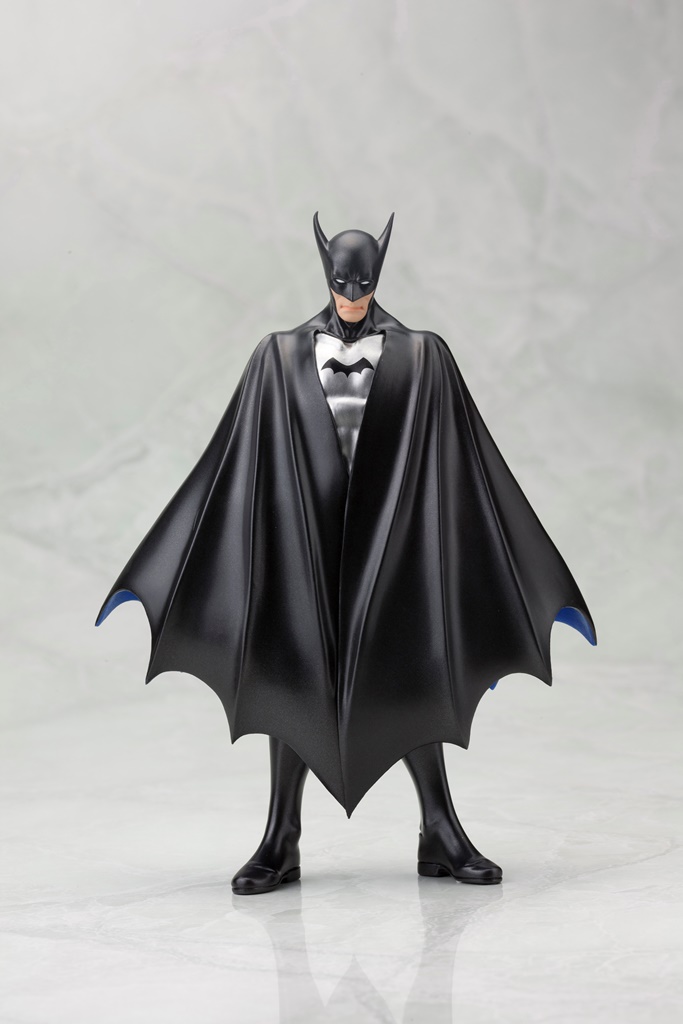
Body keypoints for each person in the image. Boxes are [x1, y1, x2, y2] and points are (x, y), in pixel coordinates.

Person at [97, 213, 596, 895]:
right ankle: (281, 837)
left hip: (395, 545)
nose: (353, 295)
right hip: (302, 543)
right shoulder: (276, 356)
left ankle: (440, 830)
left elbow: (464, 459)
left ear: (380, 274)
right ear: (325, 273)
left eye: (364, 283)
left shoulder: (424, 356)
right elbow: (237, 459)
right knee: (289, 675)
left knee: (414, 671)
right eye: (342, 283)